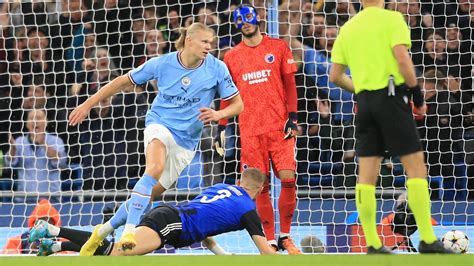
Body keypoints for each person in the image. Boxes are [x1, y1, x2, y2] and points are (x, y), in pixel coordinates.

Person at [69, 22, 244, 253]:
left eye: (210, 42)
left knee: (147, 195)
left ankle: (101, 232)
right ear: (189, 40)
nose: (208, 46)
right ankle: (128, 230)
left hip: (186, 143)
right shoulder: (162, 63)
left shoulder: (217, 68)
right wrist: (87, 104)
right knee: (154, 168)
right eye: (204, 41)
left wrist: (218, 113)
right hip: (159, 124)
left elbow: (238, 104)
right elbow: (122, 81)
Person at [328, 0, 453, 254]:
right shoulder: (392, 19)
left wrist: (362, 91)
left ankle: (373, 244)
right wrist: (418, 99)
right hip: (391, 97)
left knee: (366, 176)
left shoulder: (349, 27)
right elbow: (402, 59)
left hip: (365, 104)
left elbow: (335, 76)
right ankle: (428, 239)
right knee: (416, 168)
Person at [28, 168, 276, 256]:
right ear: (261, 188)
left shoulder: (221, 188)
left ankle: (56, 245)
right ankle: (52, 230)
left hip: (168, 215)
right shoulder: (248, 209)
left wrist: (221, 254)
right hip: (171, 224)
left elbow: (204, 227)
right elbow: (266, 252)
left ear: (240, 180)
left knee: (114, 248)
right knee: (116, 252)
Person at [217, 5, 300, 254]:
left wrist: (292, 117)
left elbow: (290, 85)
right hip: (250, 130)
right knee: (259, 186)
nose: (245, 22)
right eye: (240, 20)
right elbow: (226, 94)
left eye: (249, 17)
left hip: (279, 127)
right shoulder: (231, 57)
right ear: (235, 24)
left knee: (288, 178)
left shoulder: (278, 47)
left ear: (258, 18)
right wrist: (222, 125)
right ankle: (271, 240)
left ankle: (286, 235)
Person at [4, 109, 67, 196]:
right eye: (31, 118)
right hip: (24, 199)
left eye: (38, 118)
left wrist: (43, 144)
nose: (35, 121)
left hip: (51, 198)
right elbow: (9, 164)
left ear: (46, 122)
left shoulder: (56, 140)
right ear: (26, 123)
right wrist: (13, 149)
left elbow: (62, 164)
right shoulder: (19, 141)